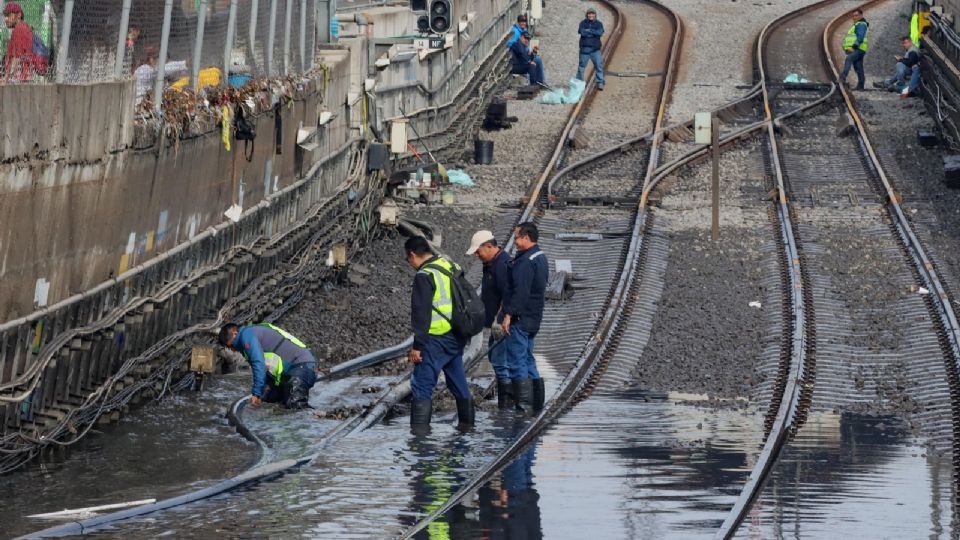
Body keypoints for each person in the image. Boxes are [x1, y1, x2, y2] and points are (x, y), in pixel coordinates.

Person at [405, 235, 474, 430]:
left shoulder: (424, 275)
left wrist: (417, 346)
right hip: (456, 336)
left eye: (408, 260)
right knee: (459, 383)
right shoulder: (448, 264)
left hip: (435, 340)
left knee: (422, 387)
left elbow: (421, 312)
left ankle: (419, 443)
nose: (410, 264)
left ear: (412, 255)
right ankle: (468, 428)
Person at [502, 222, 548, 412]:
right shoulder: (540, 257)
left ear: (526, 237)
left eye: (517, 237)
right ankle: (537, 405)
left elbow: (521, 292)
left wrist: (509, 315)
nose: (515, 241)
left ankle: (523, 408)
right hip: (534, 317)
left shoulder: (525, 262)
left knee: (517, 361)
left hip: (521, 319)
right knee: (528, 359)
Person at [219, 322, 318, 409]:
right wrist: (262, 395)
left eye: (231, 345)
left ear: (235, 334)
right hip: (290, 372)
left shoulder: (246, 335)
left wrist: (256, 393)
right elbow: (267, 371)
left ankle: (316, 420)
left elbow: (258, 363)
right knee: (272, 400)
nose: (232, 350)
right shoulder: (250, 338)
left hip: (302, 366)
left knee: (295, 406)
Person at [466, 230, 513, 408]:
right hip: (497, 321)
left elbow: (507, 294)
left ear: (489, 246)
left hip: (502, 323)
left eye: (478, 252)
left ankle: (506, 406)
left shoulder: (502, 265)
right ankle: (509, 404)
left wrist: (499, 320)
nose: (477, 256)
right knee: (497, 358)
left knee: (501, 362)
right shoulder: (491, 263)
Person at [3, 2, 34, 83]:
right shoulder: (25, 27)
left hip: (18, 80)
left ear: (19, 15)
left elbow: (17, 57)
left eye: (9, 15)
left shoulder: (19, 29)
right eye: (5, 16)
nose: (5, 19)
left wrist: (6, 79)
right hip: (24, 78)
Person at [839, 9, 869, 90]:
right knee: (858, 67)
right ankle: (861, 86)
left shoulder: (861, 25)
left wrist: (853, 47)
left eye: (856, 15)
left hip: (858, 49)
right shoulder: (858, 24)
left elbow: (860, 37)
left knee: (849, 59)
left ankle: (842, 77)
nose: (854, 17)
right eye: (853, 16)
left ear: (861, 15)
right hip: (860, 49)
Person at [576, 7, 605, 91]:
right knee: (581, 67)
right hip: (584, 50)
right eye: (589, 14)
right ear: (587, 15)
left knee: (598, 66)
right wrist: (593, 33)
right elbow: (582, 32)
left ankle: (600, 82)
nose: (591, 15)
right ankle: (579, 83)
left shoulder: (599, 24)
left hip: (595, 50)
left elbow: (599, 33)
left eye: (592, 14)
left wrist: (589, 30)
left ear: (595, 15)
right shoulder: (582, 23)